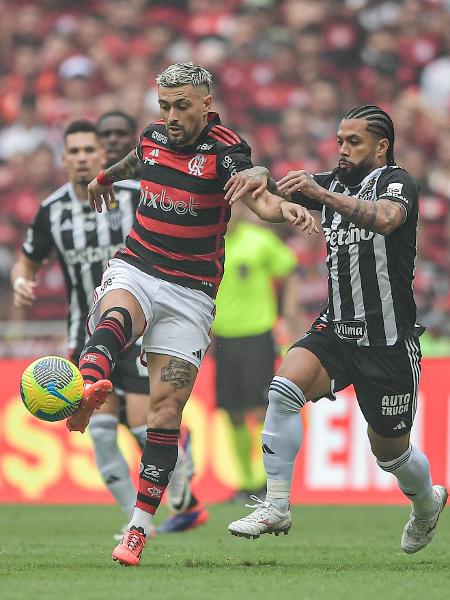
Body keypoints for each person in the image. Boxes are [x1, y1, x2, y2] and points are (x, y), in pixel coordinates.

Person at [66, 62, 316, 566]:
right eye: (165, 105)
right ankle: (90, 385)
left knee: (165, 412)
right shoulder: (154, 136)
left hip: (191, 292)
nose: (172, 115)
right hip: (139, 264)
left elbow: (255, 191)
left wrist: (279, 207)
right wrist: (103, 178)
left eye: (182, 105)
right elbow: (138, 160)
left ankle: (138, 528)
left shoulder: (224, 149)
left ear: (206, 103)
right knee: (116, 313)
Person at [227, 105, 447, 554]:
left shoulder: (397, 182)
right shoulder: (332, 183)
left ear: (381, 146)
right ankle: (277, 505)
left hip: (387, 339)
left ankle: (427, 501)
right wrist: (256, 175)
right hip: (336, 329)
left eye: (354, 142)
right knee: (283, 388)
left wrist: (320, 195)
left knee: (391, 454)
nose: (342, 149)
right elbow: (270, 204)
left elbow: (386, 219)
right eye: (340, 140)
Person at [11, 116, 205, 537]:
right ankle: (137, 522)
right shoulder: (51, 210)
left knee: (142, 422)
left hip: (134, 328)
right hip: (84, 334)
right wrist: (22, 281)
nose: (81, 159)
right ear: (63, 159)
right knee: (100, 433)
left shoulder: (137, 194)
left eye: (88, 151)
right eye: (74, 152)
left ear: (103, 156)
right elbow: (29, 257)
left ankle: (176, 470)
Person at [212, 202, 297, 499]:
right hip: (222, 338)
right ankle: (246, 483)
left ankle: (266, 480)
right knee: (232, 412)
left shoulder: (258, 240)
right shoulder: (209, 243)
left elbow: (289, 269)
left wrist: (285, 315)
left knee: (260, 410)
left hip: (257, 336)